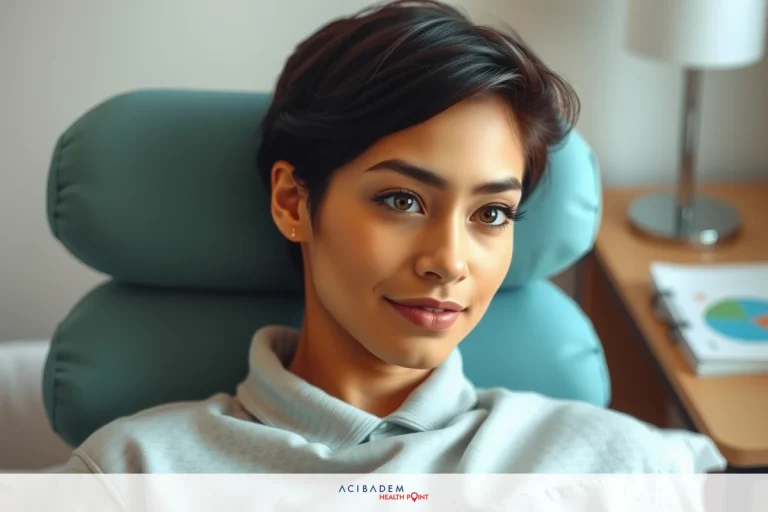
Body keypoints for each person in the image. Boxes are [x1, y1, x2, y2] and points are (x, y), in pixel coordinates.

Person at [62, 0, 725, 474]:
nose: (448, 262)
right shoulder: (137, 474)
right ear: (294, 201)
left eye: (491, 213)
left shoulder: (619, 464)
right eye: (402, 200)